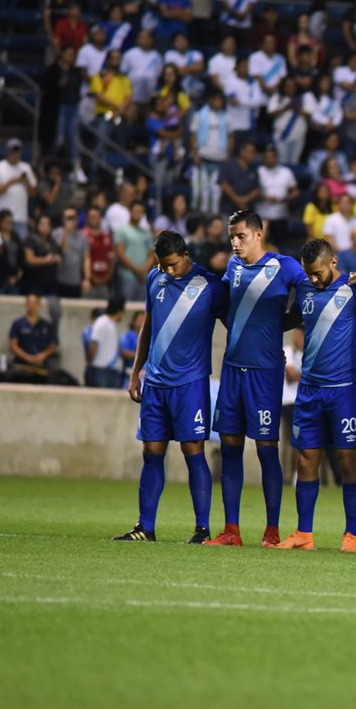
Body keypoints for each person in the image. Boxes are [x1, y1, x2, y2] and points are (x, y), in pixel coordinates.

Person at [113, 231, 227, 543]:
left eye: (173, 264)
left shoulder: (210, 285)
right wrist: (136, 372)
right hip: (156, 382)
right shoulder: (155, 279)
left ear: (186, 254)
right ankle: (145, 527)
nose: (169, 270)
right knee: (152, 452)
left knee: (193, 450)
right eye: (163, 265)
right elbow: (148, 326)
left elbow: (234, 323)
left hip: (190, 384)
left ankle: (202, 529)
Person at [272, 239, 356, 551]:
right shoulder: (305, 288)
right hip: (308, 389)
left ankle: (351, 534)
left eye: (318, 272)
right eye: (309, 274)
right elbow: (290, 319)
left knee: (348, 461)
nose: (314, 279)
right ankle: (304, 533)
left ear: (333, 262)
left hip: (344, 390)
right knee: (306, 460)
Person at [205, 210, 306, 548]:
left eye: (241, 236)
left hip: (265, 373)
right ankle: (231, 530)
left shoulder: (284, 266)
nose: (235, 243)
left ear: (258, 234)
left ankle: (272, 531)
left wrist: (283, 323)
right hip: (233, 369)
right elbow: (220, 306)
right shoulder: (232, 269)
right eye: (231, 237)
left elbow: (308, 291)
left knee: (266, 450)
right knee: (230, 448)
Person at [0, 140, 37, 239]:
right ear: (7, 152)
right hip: (3, 217)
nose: (15, 155)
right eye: (12, 152)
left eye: (17, 152)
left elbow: (33, 193)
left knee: (21, 246)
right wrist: (11, 182)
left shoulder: (26, 168)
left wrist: (26, 181)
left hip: (21, 216)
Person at [8, 293, 59, 383]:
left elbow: (53, 345)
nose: (31, 306)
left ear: (39, 305)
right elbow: (13, 345)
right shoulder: (18, 323)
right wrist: (28, 358)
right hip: (22, 368)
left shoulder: (46, 325)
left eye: (34, 303)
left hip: (41, 369)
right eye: (29, 303)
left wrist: (42, 356)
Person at [255, 144, 297, 247]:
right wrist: (264, 197)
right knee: (261, 246)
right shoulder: (258, 172)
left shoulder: (286, 172)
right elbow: (252, 190)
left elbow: (295, 191)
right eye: (267, 157)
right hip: (262, 215)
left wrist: (284, 199)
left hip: (281, 215)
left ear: (276, 157)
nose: (270, 160)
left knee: (281, 247)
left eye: (272, 157)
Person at [114, 201, 153, 301]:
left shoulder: (146, 233)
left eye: (140, 211)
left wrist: (144, 270)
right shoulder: (122, 230)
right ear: (130, 211)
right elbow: (120, 253)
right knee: (126, 305)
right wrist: (136, 269)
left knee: (141, 309)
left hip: (143, 277)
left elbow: (152, 254)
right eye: (136, 211)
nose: (138, 213)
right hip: (127, 275)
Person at [86, 295, 125, 388]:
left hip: (112, 368)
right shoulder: (101, 322)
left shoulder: (112, 324)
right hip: (101, 368)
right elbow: (94, 344)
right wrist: (90, 362)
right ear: (120, 311)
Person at [22, 214, 62, 297]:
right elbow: (29, 259)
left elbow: (56, 256)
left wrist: (57, 259)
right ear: (37, 225)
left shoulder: (52, 241)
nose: (46, 227)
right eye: (43, 224)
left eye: (48, 224)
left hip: (50, 283)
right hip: (35, 283)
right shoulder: (31, 239)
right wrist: (46, 260)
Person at [52, 208, 89, 298]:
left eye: (73, 217)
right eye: (68, 218)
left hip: (75, 281)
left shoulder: (83, 237)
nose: (71, 221)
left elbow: (86, 258)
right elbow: (63, 250)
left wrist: (87, 278)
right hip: (60, 280)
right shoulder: (57, 233)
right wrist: (67, 232)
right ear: (63, 219)